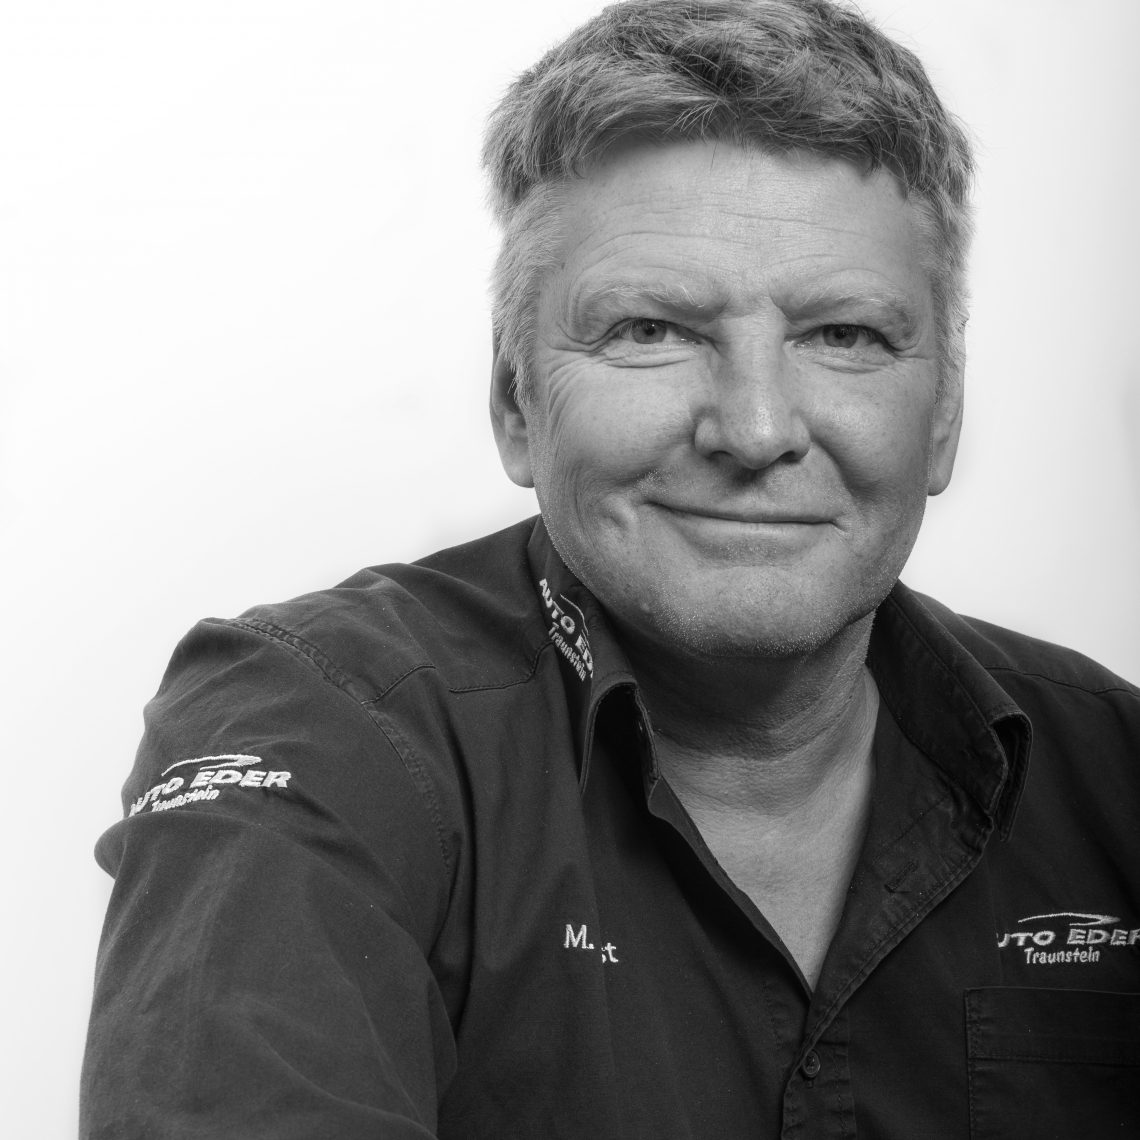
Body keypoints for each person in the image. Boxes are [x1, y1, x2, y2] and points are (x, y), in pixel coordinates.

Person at [81, 1, 1140, 1136]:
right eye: (651, 330)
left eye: (845, 335)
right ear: (515, 402)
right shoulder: (321, 730)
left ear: (944, 417)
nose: (756, 429)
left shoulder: (1115, 774)